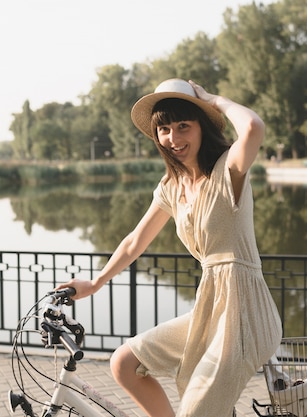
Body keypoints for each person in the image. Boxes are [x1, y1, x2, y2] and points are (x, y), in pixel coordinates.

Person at [55, 78, 282, 416]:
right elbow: (134, 241)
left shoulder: (227, 170)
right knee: (124, 363)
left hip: (246, 313)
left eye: (183, 126)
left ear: (202, 127)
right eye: (164, 129)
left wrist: (213, 100)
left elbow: (252, 126)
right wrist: (96, 282)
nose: (173, 138)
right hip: (212, 307)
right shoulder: (171, 187)